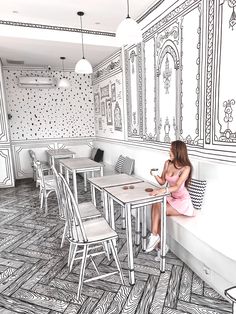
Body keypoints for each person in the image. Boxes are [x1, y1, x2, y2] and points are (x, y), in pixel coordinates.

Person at [146, 140, 194, 253]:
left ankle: (158, 241)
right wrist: (154, 174)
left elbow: (177, 186)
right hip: (173, 198)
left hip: (182, 201)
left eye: (171, 150)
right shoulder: (167, 163)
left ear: (177, 152)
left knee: (158, 210)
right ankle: (157, 240)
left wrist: (161, 191)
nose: (169, 152)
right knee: (156, 203)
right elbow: (162, 181)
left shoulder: (186, 168)